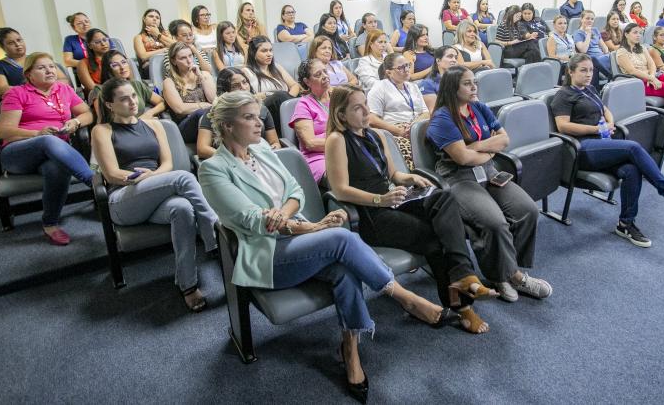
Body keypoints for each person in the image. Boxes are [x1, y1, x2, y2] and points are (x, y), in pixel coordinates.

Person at [199, 90, 444, 403]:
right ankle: (404, 297)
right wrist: (312, 227)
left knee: (344, 269)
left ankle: (351, 350)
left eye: (257, 115)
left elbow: (296, 191)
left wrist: (289, 216)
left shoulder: (260, 148)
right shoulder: (212, 170)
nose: (259, 122)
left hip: (298, 239)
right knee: (340, 237)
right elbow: (253, 220)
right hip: (269, 254)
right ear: (228, 126)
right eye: (249, 117)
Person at [326, 84, 496, 334]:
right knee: (434, 236)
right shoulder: (336, 140)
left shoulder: (376, 134)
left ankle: (464, 274)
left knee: (443, 198)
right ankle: (462, 306)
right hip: (371, 214)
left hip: (393, 199)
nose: (366, 111)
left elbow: (393, 173)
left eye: (366, 104)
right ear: (341, 115)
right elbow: (340, 190)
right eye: (357, 107)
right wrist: (379, 200)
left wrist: (409, 179)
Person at [551, 54, 664, 247]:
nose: (588, 74)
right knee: (633, 148)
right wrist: (596, 129)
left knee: (631, 170)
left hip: (601, 143)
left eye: (591, 70)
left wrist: (609, 123)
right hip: (581, 148)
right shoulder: (564, 94)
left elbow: (605, 109)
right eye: (583, 70)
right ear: (570, 71)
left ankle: (626, 224)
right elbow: (563, 126)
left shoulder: (590, 89)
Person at [426, 65, 552, 302]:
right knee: (495, 223)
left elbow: (504, 139)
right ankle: (506, 277)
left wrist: (476, 148)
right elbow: (462, 158)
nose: (474, 87)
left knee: (528, 210)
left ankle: (511, 267)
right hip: (459, 178)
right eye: (467, 83)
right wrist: (486, 149)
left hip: (488, 171)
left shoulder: (478, 107)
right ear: (452, 87)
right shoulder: (442, 118)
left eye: (474, 82)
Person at [92, 78, 218, 312]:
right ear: (109, 105)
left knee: (181, 208)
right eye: (124, 98)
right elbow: (111, 174)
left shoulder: (154, 125)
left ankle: (187, 285)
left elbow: (167, 165)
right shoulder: (102, 130)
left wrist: (150, 177)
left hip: (156, 189)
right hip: (124, 198)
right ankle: (214, 239)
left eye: (133, 95)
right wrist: (139, 179)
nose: (133, 101)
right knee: (184, 177)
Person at [0, 52, 94, 245]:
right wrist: (37, 134)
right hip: (19, 152)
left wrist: (75, 121)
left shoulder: (63, 89)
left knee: (56, 169)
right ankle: (95, 181)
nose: (49, 70)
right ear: (29, 74)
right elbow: (4, 131)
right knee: (48, 141)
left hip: (54, 154)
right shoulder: (16, 93)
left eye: (51, 66)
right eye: (42, 68)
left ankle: (50, 223)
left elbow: (87, 113)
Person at [197, 67, 280, 160]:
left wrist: (272, 149)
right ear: (225, 91)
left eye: (245, 82)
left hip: (260, 159)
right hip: (228, 163)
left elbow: (274, 142)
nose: (243, 88)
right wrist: (235, 157)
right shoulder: (215, 113)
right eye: (235, 86)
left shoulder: (262, 109)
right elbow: (202, 149)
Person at [366, 53, 429, 169]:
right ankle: (415, 179)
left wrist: (414, 125)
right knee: (408, 147)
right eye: (401, 67)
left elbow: (426, 112)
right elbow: (372, 119)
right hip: (394, 130)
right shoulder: (380, 87)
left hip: (415, 127)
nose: (406, 70)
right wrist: (399, 131)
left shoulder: (413, 87)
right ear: (389, 72)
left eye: (407, 65)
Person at [0, 28, 68, 101]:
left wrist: (47, 92)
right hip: (19, 104)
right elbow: (0, 90)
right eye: (11, 43)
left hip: (52, 99)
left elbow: (63, 80)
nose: (17, 44)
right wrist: (36, 92)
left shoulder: (39, 58)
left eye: (19, 40)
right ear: (2, 47)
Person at [88, 50, 165, 121]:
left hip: (143, 125)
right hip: (117, 131)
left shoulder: (136, 84)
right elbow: (104, 119)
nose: (122, 67)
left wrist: (149, 113)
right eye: (115, 65)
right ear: (108, 70)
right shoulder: (100, 90)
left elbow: (162, 102)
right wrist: (139, 121)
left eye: (124, 62)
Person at [289, 59, 332, 187]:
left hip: (346, 151)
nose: (324, 76)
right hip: (319, 158)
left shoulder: (339, 97)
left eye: (325, 71)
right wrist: (343, 142)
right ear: (307, 82)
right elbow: (310, 143)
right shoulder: (303, 105)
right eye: (318, 75)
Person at [162, 42, 216, 143]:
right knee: (201, 113)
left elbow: (213, 100)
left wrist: (201, 77)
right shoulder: (169, 82)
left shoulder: (204, 75)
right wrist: (203, 105)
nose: (189, 61)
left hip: (209, 118)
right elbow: (180, 109)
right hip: (185, 125)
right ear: (174, 61)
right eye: (182, 58)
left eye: (190, 56)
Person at [243, 36, 300, 129]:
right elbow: (248, 98)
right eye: (264, 51)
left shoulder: (277, 67)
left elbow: (294, 85)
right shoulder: (247, 72)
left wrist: (288, 101)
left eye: (270, 50)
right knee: (279, 96)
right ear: (253, 53)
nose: (269, 54)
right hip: (265, 109)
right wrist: (269, 95)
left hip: (283, 106)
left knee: (284, 96)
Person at [573, 10, 611, 89]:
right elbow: (583, 50)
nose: (590, 21)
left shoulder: (595, 30)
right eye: (587, 18)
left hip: (601, 57)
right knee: (594, 60)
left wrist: (607, 54)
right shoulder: (577, 33)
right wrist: (588, 34)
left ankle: (615, 76)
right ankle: (611, 76)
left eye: (592, 19)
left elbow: (604, 47)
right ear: (581, 19)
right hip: (589, 58)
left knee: (614, 55)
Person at [133, 8, 174, 78]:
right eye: (151, 16)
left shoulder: (165, 35)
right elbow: (143, 56)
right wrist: (164, 50)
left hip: (168, 62)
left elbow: (176, 46)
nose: (154, 19)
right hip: (150, 66)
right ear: (144, 19)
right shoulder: (138, 37)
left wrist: (157, 34)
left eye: (157, 18)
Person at [419, 46, 460, 110]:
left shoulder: (461, 80)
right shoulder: (427, 84)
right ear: (438, 61)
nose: (454, 60)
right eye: (450, 56)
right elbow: (434, 112)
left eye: (456, 57)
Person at [75, 28, 111, 93]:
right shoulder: (83, 63)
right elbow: (92, 88)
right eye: (97, 42)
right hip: (99, 95)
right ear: (90, 46)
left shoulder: (117, 58)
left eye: (105, 40)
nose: (103, 44)